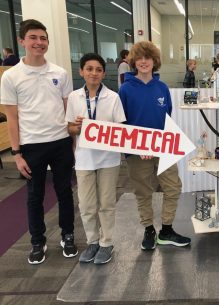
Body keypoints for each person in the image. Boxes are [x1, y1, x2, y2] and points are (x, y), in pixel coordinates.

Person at [0, 19, 77, 264]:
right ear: (22, 41)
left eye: (43, 38)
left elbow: (68, 110)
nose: (39, 43)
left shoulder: (60, 73)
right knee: (35, 196)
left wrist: (72, 143)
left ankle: (68, 234)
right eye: (33, 38)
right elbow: (12, 118)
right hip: (32, 145)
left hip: (60, 142)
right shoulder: (11, 77)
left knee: (65, 192)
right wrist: (17, 153)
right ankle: (37, 241)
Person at [119, 41, 191, 250]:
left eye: (147, 58)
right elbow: (121, 123)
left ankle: (166, 229)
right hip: (136, 152)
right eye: (139, 58)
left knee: (173, 188)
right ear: (133, 61)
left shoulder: (162, 88)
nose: (143, 62)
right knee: (143, 192)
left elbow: (167, 117)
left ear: (154, 61)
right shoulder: (125, 89)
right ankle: (149, 229)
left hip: (162, 148)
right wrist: (138, 147)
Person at [65, 53, 126, 264]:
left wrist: (105, 129)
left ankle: (106, 242)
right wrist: (78, 127)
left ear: (103, 73)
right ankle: (92, 241)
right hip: (84, 159)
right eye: (89, 69)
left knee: (106, 203)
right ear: (81, 71)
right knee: (86, 204)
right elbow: (69, 128)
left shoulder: (113, 97)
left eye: (98, 69)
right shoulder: (74, 97)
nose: (94, 73)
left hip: (108, 159)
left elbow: (121, 129)